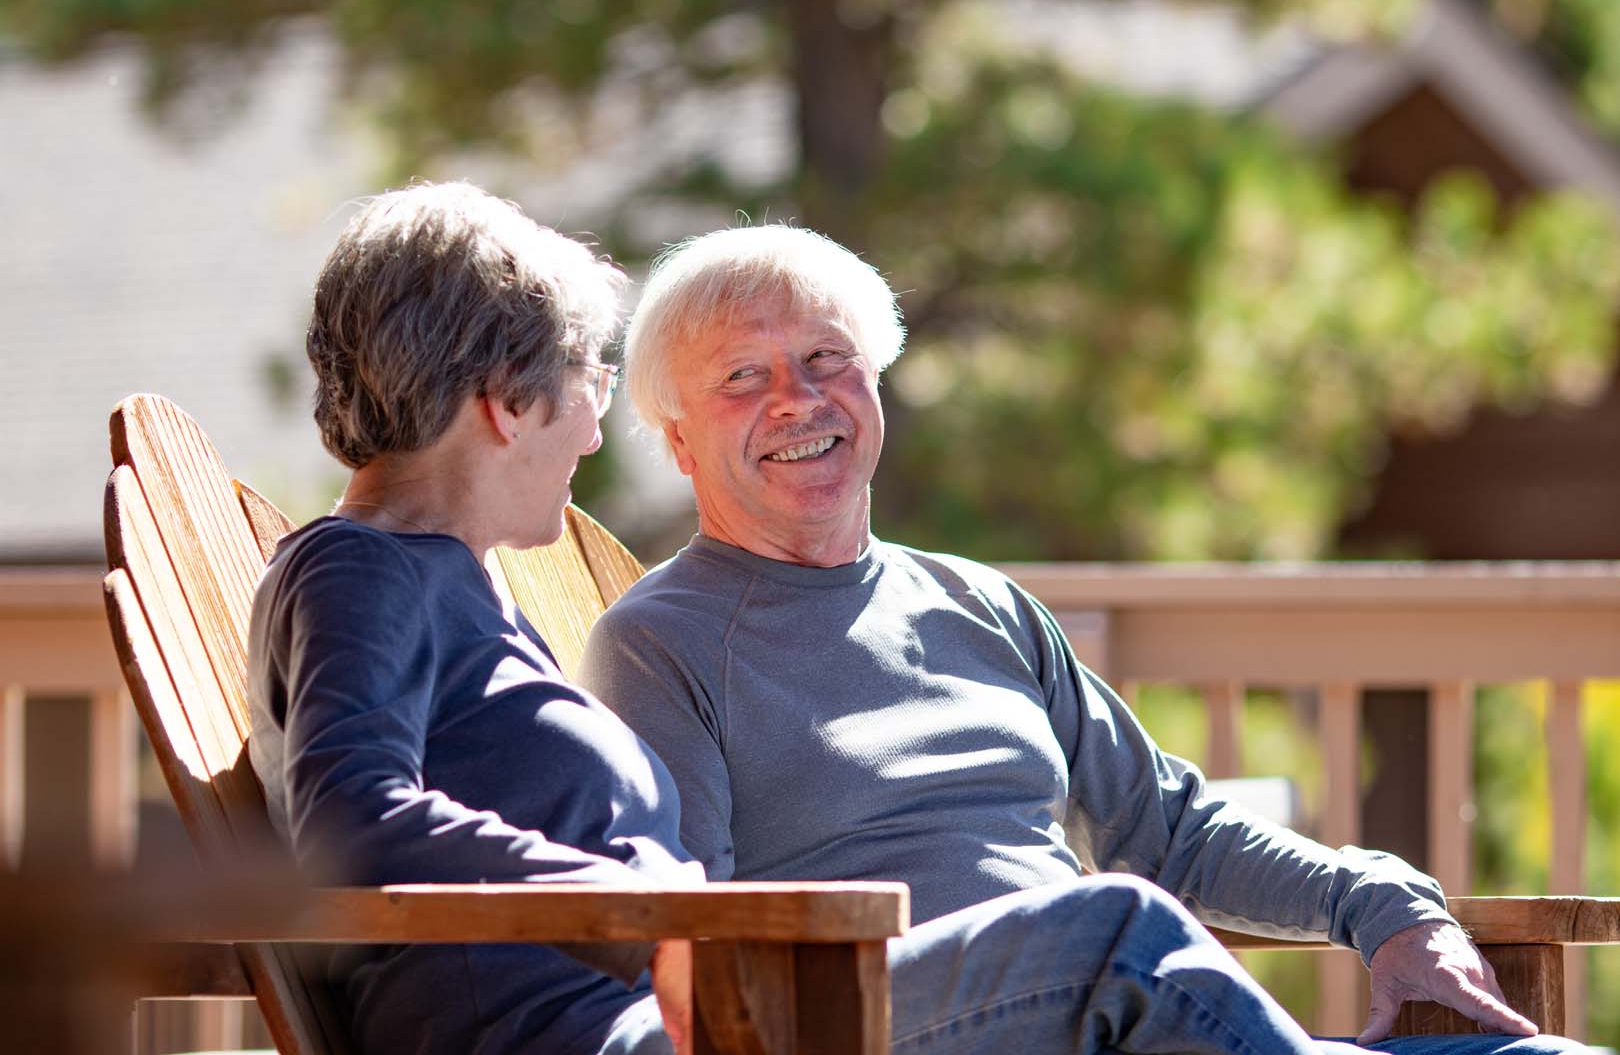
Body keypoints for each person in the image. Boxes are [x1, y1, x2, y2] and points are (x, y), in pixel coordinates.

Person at [249, 181, 1380, 1055]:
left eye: (830, 362)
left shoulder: (444, 584)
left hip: (674, 1023)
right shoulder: (361, 569)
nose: (593, 435)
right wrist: (645, 903)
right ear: (504, 403)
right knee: (1117, 935)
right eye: (586, 382)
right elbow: (354, 817)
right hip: (639, 1039)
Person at [578, 223, 1585, 1054]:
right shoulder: (657, 645)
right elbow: (698, 952)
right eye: (742, 379)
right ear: (677, 441)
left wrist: (1380, 898)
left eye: (825, 358)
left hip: (1100, 1017)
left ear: (875, 382)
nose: (797, 398)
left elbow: (1171, 830)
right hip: (880, 1027)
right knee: (1112, 929)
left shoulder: (979, 604)